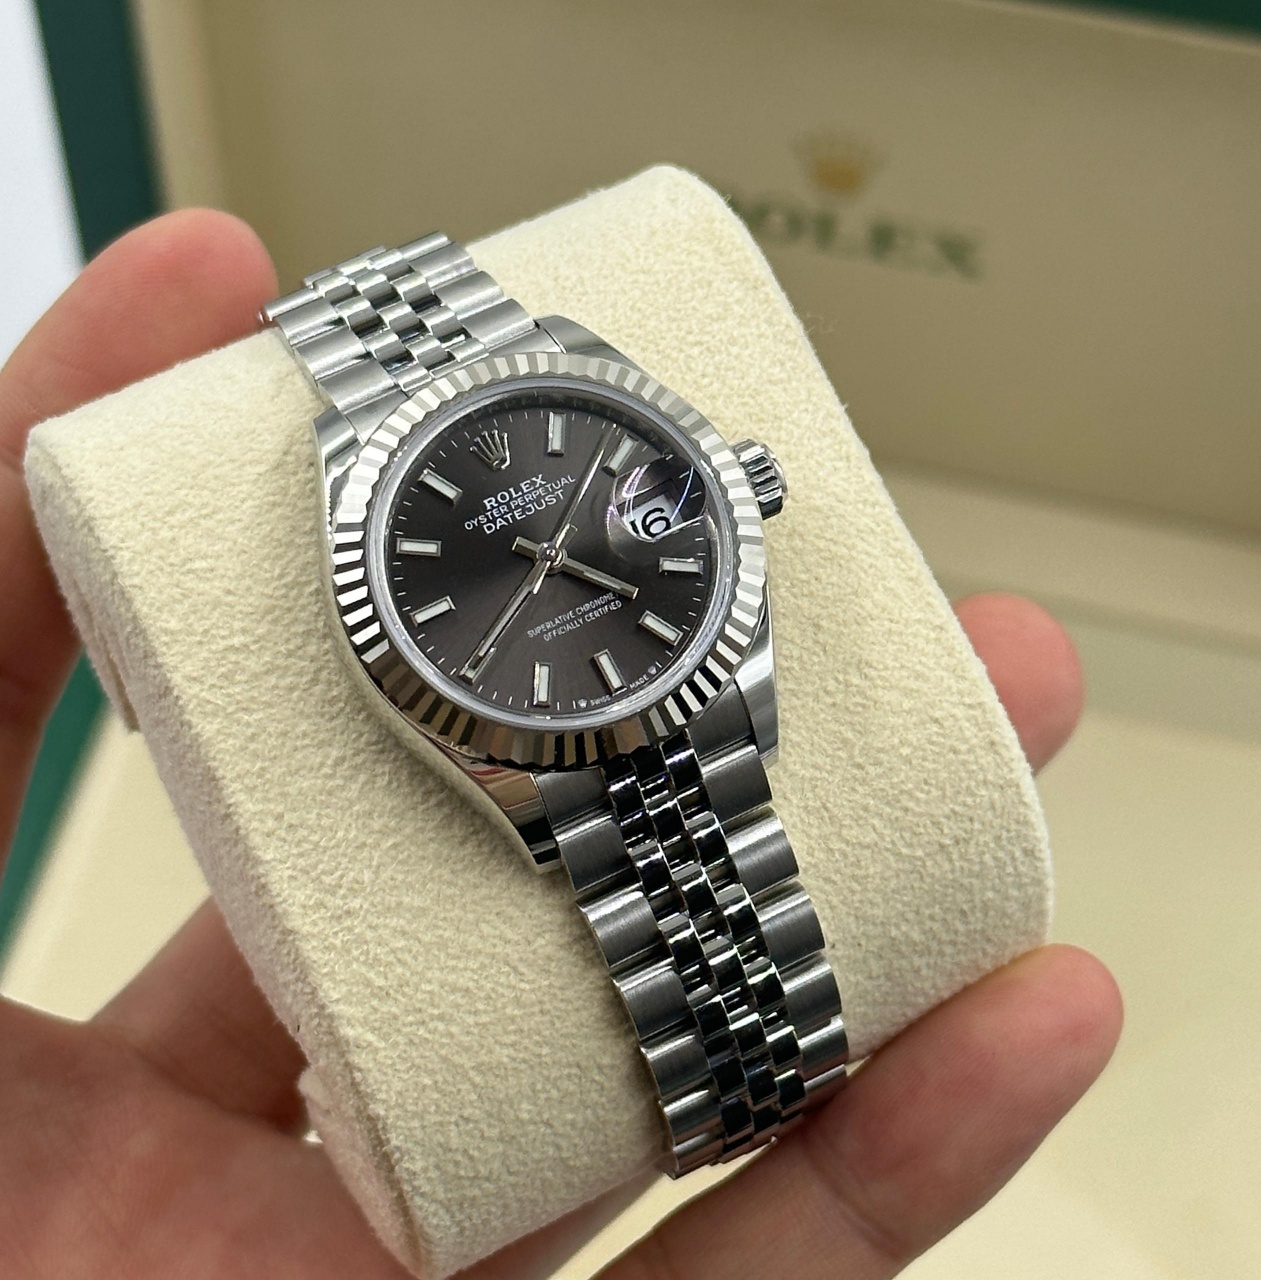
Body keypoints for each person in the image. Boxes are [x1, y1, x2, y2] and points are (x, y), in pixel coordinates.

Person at [0, 209, 1122, 1278]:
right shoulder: (366, 491)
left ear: (738, 487)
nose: (540, 559)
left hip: (670, 677)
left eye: (550, 546)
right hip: (548, 727)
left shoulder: (591, 412)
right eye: (521, 561)